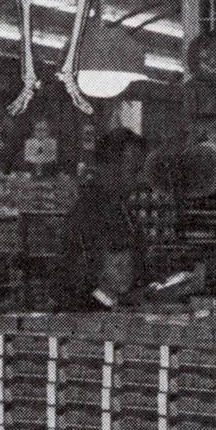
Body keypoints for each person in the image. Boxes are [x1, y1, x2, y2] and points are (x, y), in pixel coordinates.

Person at [53, 127, 147, 311]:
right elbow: (77, 284)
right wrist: (113, 302)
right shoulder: (91, 213)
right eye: (133, 171)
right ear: (111, 167)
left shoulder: (119, 208)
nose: (138, 180)